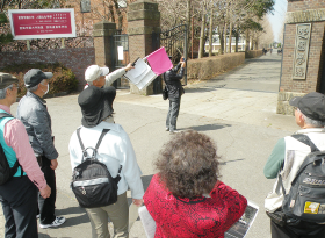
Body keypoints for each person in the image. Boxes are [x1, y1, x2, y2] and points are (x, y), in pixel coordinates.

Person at [69, 86, 144, 238]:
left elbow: (75, 168)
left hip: (88, 192)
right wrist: (137, 194)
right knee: (121, 231)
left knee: (99, 232)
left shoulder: (75, 135)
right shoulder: (117, 135)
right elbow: (131, 169)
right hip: (115, 193)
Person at [143, 130, 247, 238]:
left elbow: (148, 198)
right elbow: (240, 202)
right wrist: (215, 185)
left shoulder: (156, 183)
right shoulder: (215, 215)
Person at [264, 92, 325, 238]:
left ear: (301, 117)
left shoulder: (287, 143)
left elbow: (269, 173)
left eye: (297, 109)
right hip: (321, 216)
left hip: (288, 217)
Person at [0, 72, 51, 238]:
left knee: (11, 227)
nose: (16, 91)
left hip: (3, 181)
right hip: (19, 183)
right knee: (25, 229)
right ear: (8, 91)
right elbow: (28, 162)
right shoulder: (12, 125)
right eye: (15, 88)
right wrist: (42, 185)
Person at [16, 69, 65, 229]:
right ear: (39, 85)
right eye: (46, 82)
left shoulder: (24, 100)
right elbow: (43, 136)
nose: (48, 84)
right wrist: (53, 156)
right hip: (39, 153)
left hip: (29, 152)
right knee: (47, 185)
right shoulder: (36, 107)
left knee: (35, 184)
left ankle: (38, 211)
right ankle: (47, 219)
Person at [164, 54, 186, 134]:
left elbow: (175, 70)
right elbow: (180, 76)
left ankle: (168, 126)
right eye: (170, 62)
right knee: (174, 111)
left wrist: (180, 64)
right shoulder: (169, 73)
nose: (172, 63)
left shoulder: (167, 71)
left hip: (171, 94)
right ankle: (172, 128)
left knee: (170, 110)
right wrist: (183, 67)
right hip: (175, 94)